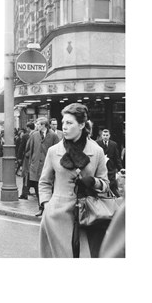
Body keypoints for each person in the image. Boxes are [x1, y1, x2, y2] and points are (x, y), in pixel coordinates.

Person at [38, 103, 109, 258]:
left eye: (69, 123)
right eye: (63, 123)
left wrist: (94, 182)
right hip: (56, 216)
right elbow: (45, 182)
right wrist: (46, 205)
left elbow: (106, 184)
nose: (64, 127)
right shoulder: (53, 151)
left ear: (82, 125)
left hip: (87, 216)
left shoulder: (97, 151)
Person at [23, 117, 60, 216]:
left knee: (48, 187)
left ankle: (48, 208)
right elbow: (28, 149)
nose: (37, 126)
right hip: (35, 166)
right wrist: (30, 162)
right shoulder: (34, 135)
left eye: (39, 124)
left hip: (48, 166)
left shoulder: (53, 136)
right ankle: (41, 207)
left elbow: (58, 151)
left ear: (44, 125)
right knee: (37, 187)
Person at [96, 129, 123, 197]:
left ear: (109, 136)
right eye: (104, 135)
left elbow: (117, 158)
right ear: (101, 136)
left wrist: (120, 168)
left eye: (107, 135)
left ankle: (116, 199)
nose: (105, 137)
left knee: (112, 185)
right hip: (101, 168)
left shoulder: (113, 144)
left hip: (111, 168)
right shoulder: (97, 143)